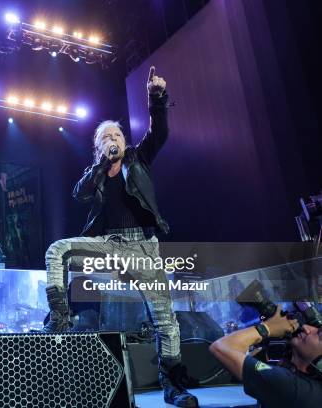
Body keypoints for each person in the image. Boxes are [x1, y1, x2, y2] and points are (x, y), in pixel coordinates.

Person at [42, 67, 199, 407]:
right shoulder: (95, 174)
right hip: (109, 245)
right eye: (106, 137)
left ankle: (171, 384)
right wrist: (100, 166)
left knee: (164, 319)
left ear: (125, 141)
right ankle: (59, 318)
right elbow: (78, 194)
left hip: (143, 247)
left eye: (117, 135)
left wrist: (155, 98)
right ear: (98, 147)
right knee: (59, 250)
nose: (114, 139)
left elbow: (160, 132)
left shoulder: (138, 159)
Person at [209, 308, 322, 408]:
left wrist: (267, 328)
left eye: (319, 335)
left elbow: (221, 347)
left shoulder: (293, 388)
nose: (307, 328)